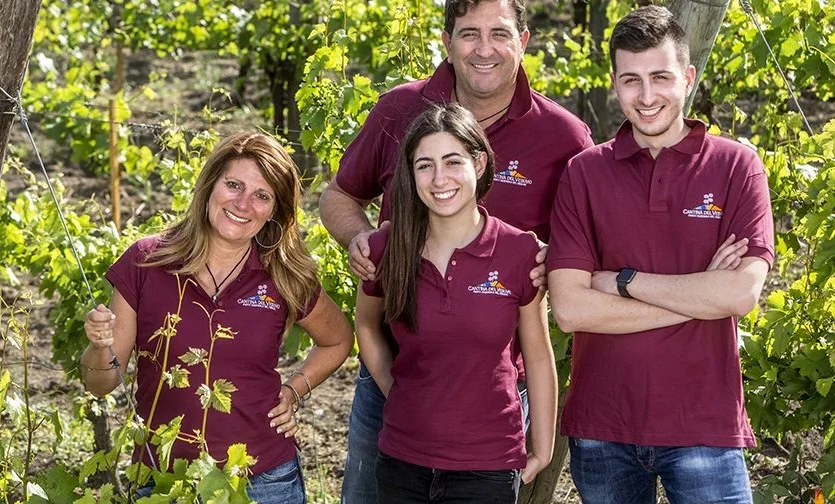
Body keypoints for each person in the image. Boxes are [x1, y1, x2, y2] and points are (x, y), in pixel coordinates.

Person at [319, 1, 592, 500]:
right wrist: (358, 237)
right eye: (469, 34)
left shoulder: (563, 137)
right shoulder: (398, 109)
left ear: (524, 40)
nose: (484, 49)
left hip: (491, 386)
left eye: (499, 33)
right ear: (447, 41)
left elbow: (587, 242)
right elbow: (339, 196)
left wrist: (552, 262)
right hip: (394, 371)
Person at [545, 6, 774, 503]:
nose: (647, 97)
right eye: (631, 80)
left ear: (687, 78)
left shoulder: (738, 167)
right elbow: (570, 309)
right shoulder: (584, 173)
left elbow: (740, 293)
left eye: (661, 77)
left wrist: (623, 280)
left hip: (705, 426)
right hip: (603, 425)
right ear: (614, 83)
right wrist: (697, 294)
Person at [81, 132, 354, 503]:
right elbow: (101, 383)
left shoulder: (283, 274)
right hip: (164, 480)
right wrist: (99, 347)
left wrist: (293, 391)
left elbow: (338, 339)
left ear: (275, 210)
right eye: (234, 185)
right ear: (211, 185)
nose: (243, 203)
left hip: (264, 481)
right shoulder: (147, 261)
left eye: (262, 195)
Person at [355, 103, 557, 503]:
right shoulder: (386, 249)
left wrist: (543, 445)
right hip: (401, 461)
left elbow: (536, 356)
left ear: (478, 163)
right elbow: (365, 325)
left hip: (487, 465)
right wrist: (396, 391)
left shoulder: (518, 251)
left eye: (452, 161)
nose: (439, 178)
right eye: (424, 165)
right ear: (410, 176)